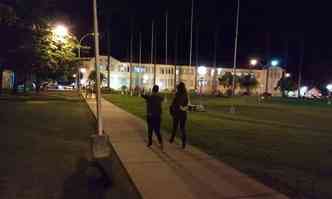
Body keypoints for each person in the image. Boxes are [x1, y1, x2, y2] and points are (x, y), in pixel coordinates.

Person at [141, 85, 164, 150]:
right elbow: (163, 100)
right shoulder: (160, 97)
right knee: (157, 130)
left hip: (150, 116)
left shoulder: (150, 97)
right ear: (157, 90)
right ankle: (160, 142)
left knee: (150, 129)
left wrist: (143, 91)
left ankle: (150, 142)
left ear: (152, 90)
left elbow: (142, 95)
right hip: (158, 116)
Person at [169, 82, 189, 149]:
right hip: (183, 113)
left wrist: (171, 110)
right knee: (182, 128)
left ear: (179, 88)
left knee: (175, 127)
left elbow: (174, 103)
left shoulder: (177, 94)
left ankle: (172, 139)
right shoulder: (186, 94)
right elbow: (187, 103)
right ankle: (183, 143)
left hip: (177, 113)